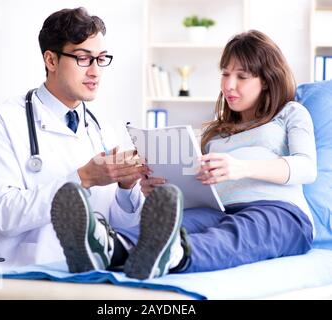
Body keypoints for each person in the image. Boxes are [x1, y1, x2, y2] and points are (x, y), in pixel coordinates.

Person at [50, 29, 317, 280]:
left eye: (242, 76)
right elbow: (198, 189)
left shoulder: (290, 113)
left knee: (238, 234)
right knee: (181, 221)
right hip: (219, 210)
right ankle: (108, 246)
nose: (229, 85)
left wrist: (242, 168)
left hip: (279, 212)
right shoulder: (215, 133)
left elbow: (306, 167)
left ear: (267, 81)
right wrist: (159, 185)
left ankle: (174, 254)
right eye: (225, 74)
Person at [0, 7, 147, 272]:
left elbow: (113, 224)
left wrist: (125, 188)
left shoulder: (100, 128)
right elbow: (4, 214)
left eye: (101, 59)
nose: (95, 72)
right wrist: (83, 178)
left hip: (85, 269)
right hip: (16, 269)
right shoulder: (0, 122)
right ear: (51, 61)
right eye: (83, 59)